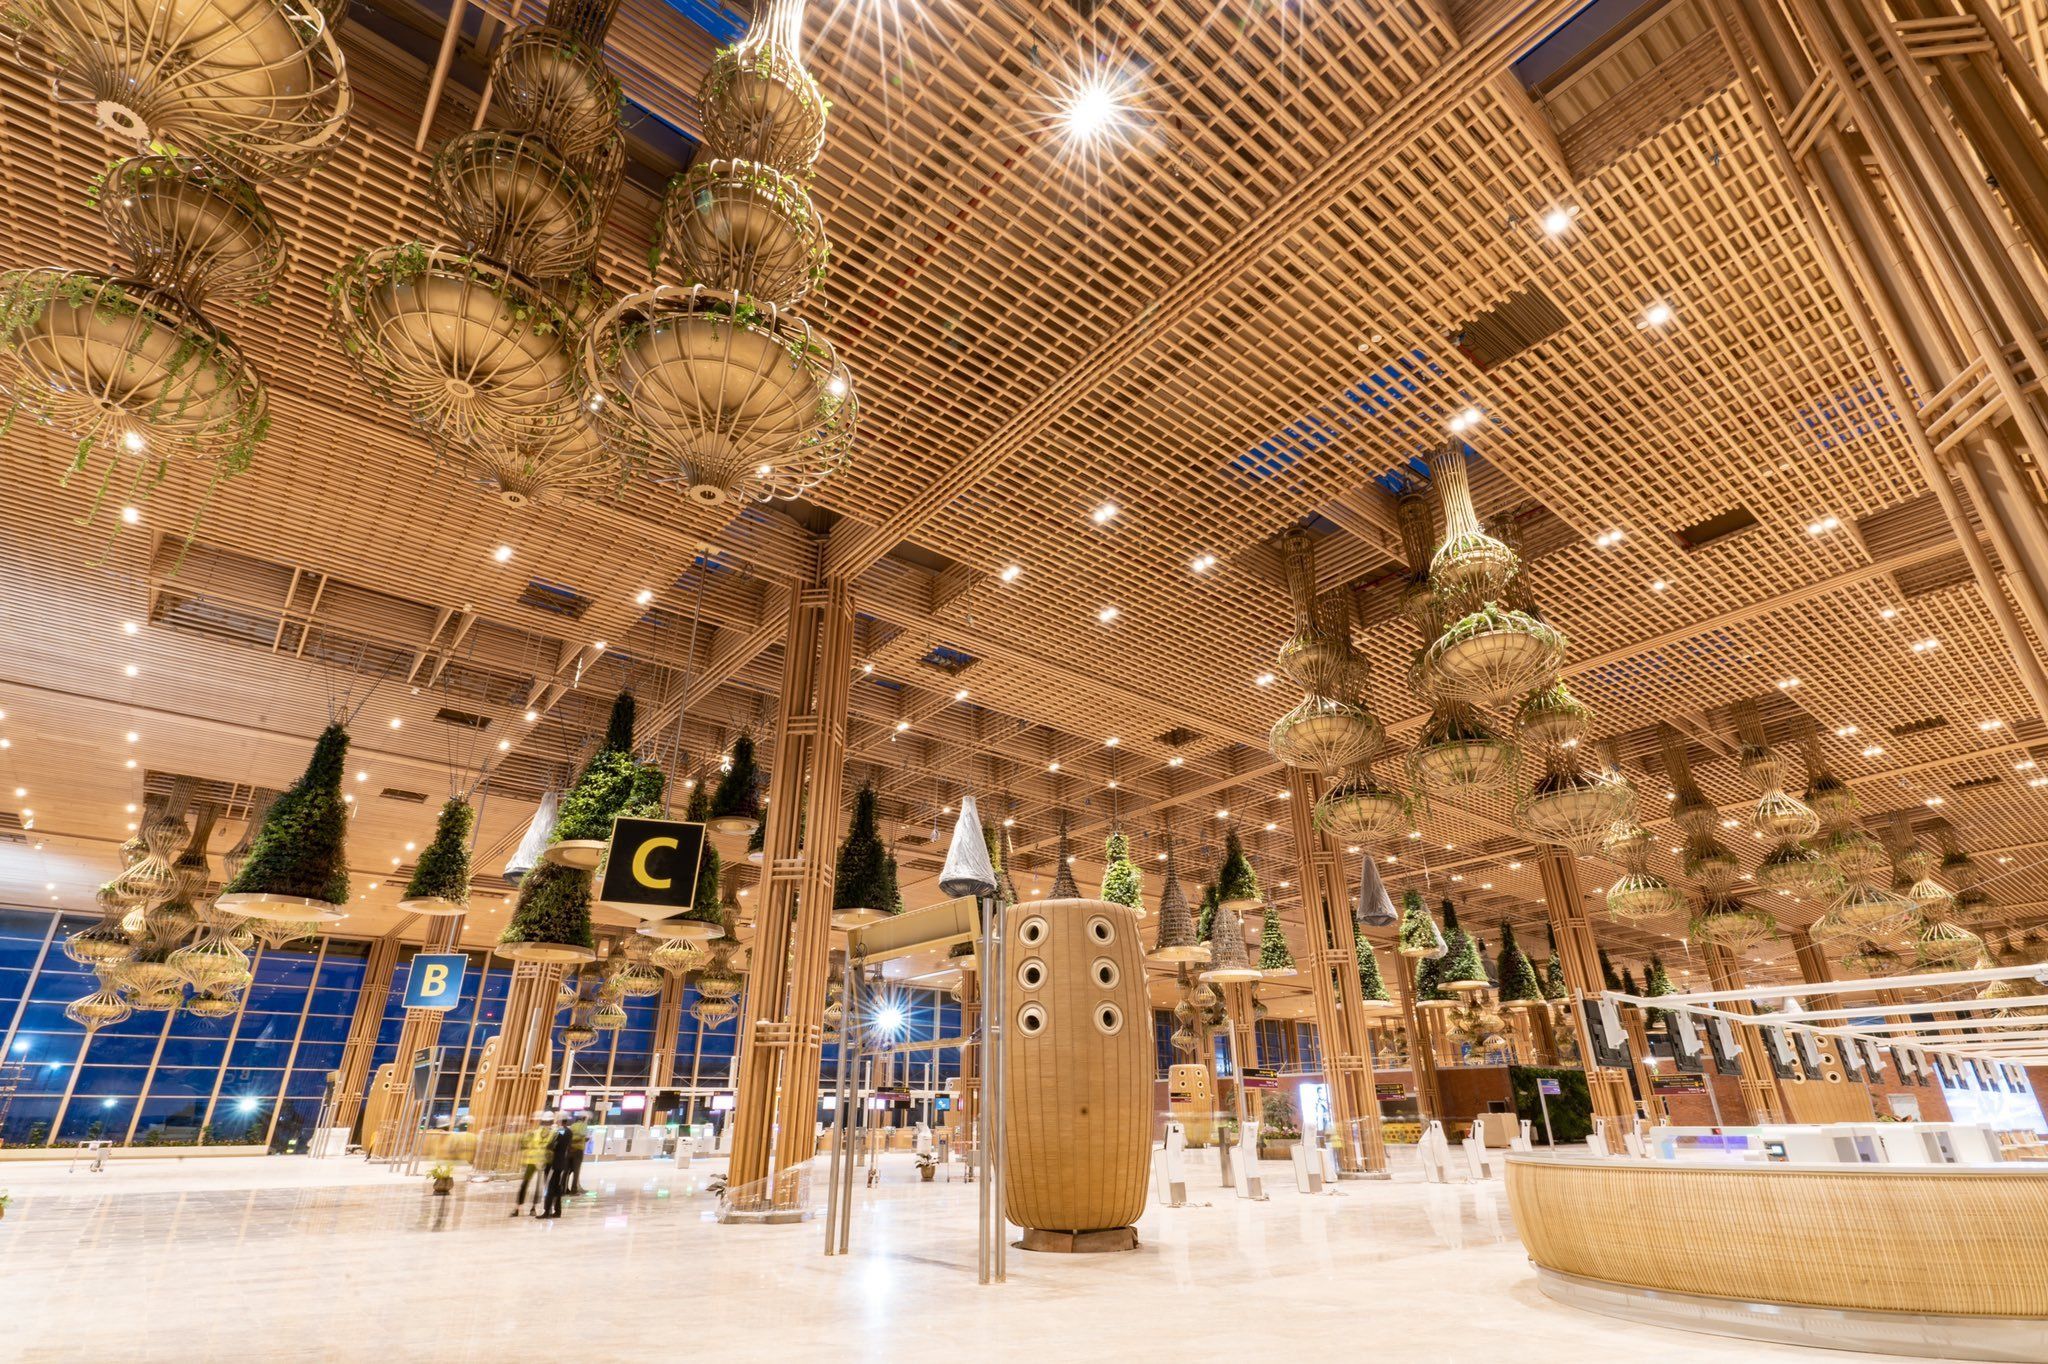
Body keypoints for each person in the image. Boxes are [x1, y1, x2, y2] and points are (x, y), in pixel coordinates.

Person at [514, 1113, 552, 1217]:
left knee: (526, 1184)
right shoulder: (550, 1133)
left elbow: (523, 1144)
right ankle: (533, 1208)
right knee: (537, 1186)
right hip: (541, 1162)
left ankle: (518, 1208)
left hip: (532, 1161)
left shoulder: (533, 1133)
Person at [540, 1115, 574, 1219]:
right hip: (561, 1163)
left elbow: (551, 1145)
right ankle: (558, 1211)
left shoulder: (558, 1132)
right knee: (557, 1188)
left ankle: (547, 1211)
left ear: (559, 1121)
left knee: (550, 1188)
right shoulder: (569, 1132)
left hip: (553, 1164)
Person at [567, 1112, 590, 1196]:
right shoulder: (583, 1126)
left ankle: (565, 1188)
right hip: (578, 1151)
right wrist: (585, 1140)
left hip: (570, 1150)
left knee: (568, 1171)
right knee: (576, 1172)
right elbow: (581, 1136)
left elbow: (569, 1137)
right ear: (583, 1118)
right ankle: (574, 1190)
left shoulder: (572, 1126)